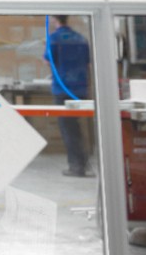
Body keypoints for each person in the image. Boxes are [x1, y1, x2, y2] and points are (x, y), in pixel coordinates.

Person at [46, 14, 92, 177]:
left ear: (54, 19)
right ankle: (83, 163)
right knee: (77, 127)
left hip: (62, 89)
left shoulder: (54, 39)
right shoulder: (80, 38)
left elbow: (48, 60)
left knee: (68, 129)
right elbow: (87, 63)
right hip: (80, 89)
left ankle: (77, 166)